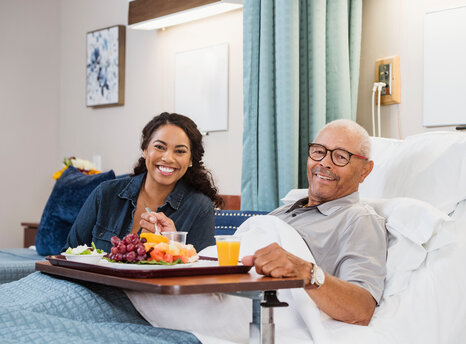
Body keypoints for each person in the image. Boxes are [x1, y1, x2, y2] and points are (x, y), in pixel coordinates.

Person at [241, 118, 386, 326]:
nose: (324, 163)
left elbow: (361, 310)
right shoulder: (281, 212)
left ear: (365, 171)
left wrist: (307, 273)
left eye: (340, 157)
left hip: (259, 320)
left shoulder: (359, 220)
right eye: (319, 151)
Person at [65, 112, 223, 253]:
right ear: (145, 149)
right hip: (90, 285)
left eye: (180, 151)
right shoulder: (105, 193)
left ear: (190, 160)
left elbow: (201, 274)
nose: (168, 158)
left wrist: (173, 246)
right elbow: (69, 253)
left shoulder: (200, 208)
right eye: (160, 147)